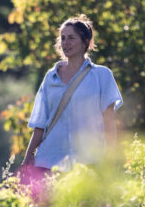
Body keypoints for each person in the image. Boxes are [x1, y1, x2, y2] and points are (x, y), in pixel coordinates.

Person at [21, 14, 123, 171]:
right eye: (62, 38)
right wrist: (28, 156)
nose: (65, 43)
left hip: (88, 161)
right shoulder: (51, 76)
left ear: (85, 42)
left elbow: (109, 121)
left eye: (71, 38)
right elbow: (41, 123)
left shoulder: (102, 75)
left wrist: (111, 157)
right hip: (49, 161)